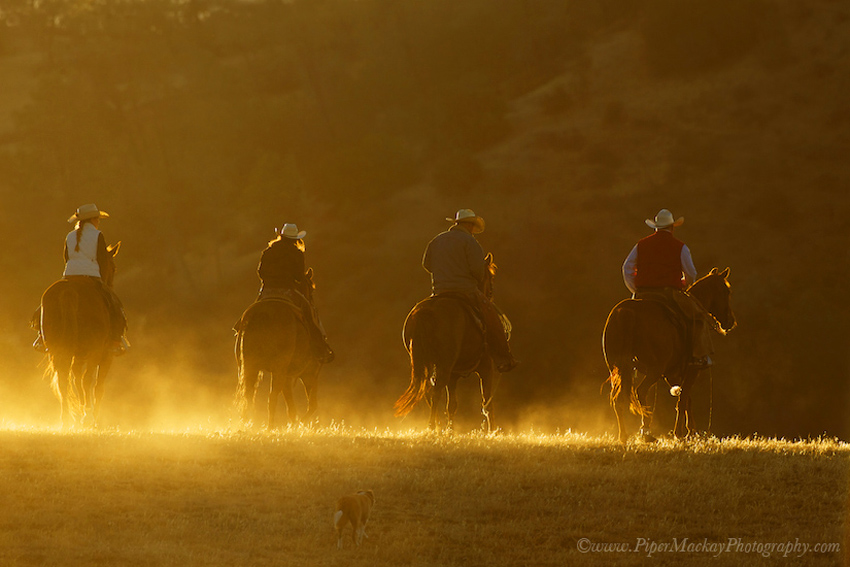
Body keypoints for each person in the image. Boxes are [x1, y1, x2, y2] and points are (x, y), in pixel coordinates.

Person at [422, 209, 518, 373]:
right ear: (469, 225)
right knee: (493, 316)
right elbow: (478, 272)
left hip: (438, 291)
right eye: (473, 226)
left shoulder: (437, 241)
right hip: (465, 290)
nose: (474, 230)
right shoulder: (470, 242)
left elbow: (427, 265)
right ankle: (504, 358)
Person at [622, 208, 713, 367]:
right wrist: (685, 285)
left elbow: (627, 268)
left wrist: (635, 289)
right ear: (672, 227)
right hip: (669, 294)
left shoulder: (641, 245)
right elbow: (691, 273)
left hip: (643, 293)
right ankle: (698, 357)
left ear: (655, 227)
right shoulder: (680, 247)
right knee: (698, 316)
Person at [33, 203, 129, 354]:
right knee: (116, 307)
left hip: (69, 275)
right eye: (98, 219)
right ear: (93, 220)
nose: (98, 222)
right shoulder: (98, 235)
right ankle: (116, 342)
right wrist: (101, 279)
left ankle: (41, 336)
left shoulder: (69, 236)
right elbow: (102, 260)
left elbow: (66, 258)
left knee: (42, 307)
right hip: (92, 276)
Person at [257, 223, 334, 364]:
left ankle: (239, 329)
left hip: (267, 291)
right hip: (288, 291)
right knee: (309, 313)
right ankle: (320, 347)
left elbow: (260, 272)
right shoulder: (297, 253)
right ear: (294, 239)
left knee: (254, 311)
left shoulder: (268, 251)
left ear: (281, 236)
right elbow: (299, 276)